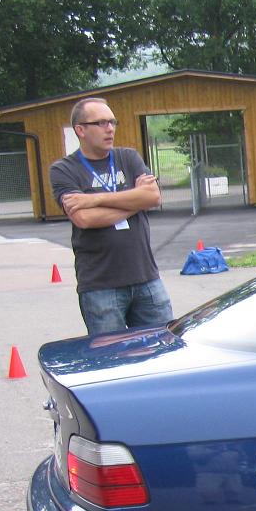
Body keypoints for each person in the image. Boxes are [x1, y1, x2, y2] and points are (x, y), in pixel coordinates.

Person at [49, 97, 173, 335]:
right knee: (111, 361)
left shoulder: (128, 157)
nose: (110, 128)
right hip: (100, 287)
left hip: (146, 279)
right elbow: (84, 219)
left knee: (162, 352)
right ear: (80, 130)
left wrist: (92, 198)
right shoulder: (64, 169)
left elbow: (153, 198)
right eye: (101, 123)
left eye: (112, 122)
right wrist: (135, 199)